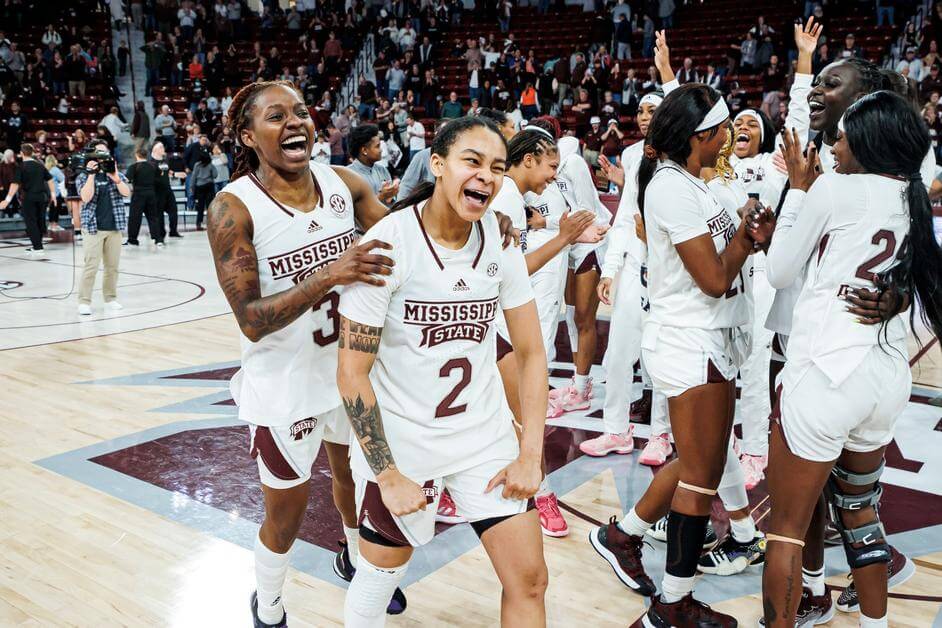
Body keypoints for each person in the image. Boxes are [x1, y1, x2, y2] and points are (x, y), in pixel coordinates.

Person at [205, 81, 519, 628]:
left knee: (355, 477)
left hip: (353, 373)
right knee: (287, 516)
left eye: (301, 111)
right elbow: (251, 320)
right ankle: (270, 601)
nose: (296, 122)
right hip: (286, 384)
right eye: (276, 116)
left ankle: (357, 556)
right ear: (247, 135)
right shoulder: (234, 207)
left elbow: (409, 230)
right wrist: (331, 272)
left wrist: (481, 227)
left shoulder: (344, 184)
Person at [336, 115, 549, 628]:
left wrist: (531, 453)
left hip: (482, 437)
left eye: (497, 167)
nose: (486, 177)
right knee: (379, 578)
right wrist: (386, 475)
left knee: (530, 580)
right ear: (437, 165)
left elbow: (532, 352)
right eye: (471, 161)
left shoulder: (500, 241)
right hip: (404, 444)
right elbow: (352, 373)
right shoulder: (387, 247)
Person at [751, 91, 942, 628]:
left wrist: (796, 192)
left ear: (866, 140)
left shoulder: (832, 188)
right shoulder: (912, 194)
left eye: (840, 137)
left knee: (786, 529)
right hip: (884, 375)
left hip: (825, 373)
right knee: (860, 514)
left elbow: (779, 272)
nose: (833, 146)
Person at [625, 83, 756, 626]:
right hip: (691, 339)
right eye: (721, 130)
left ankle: (621, 535)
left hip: (710, 339)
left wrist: (749, 228)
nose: (728, 137)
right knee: (699, 479)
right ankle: (672, 603)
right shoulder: (673, 189)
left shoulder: (695, 183)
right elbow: (712, 278)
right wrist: (747, 238)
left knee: (700, 463)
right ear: (701, 136)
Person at [75, 141, 131, 315]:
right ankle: (84, 302)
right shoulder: (83, 176)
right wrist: (91, 174)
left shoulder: (115, 174)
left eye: (104, 153)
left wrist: (115, 177)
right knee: (91, 266)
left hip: (114, 227)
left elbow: (126, 192)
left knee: (112, 267)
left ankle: (110, 298)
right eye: (98, 153)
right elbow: (85, 197)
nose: (102, 156)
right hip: (93, 228)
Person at [0, 143, 56, 257]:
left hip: (29, 198)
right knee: (40, 221)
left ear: (21, 153)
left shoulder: (21, 166)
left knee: (31, 222)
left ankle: (37, 247)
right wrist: (53, 195)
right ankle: (38, 245)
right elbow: (50, 180)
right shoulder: (40, 165)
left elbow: (15, 184)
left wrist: (7, 200)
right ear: (32, 153)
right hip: (42, 197)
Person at [348, 124, 399, 206]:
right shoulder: (349, 175)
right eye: (377, 146)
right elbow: (356, 211)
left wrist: (391, 196)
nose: (381, 150)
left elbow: (390, 203)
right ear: (364, 150)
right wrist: (381, 197)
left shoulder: (383, 170)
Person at [125, 143, 164, 248]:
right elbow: (160, 175)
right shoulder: (153, 165)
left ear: (136, 155)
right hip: (151, 193)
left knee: (135, 218)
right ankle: (158, 239)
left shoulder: (134, 167)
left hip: (138, 194)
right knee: (153, 217)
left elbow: (127, 179)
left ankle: (132, 239)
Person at [150, 141, 182, 239]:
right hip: (157, 191)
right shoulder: (151, 162)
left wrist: (175, 174)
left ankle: (173, 231)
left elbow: (167, 171)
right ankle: (161, 233)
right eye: (161, 147)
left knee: (173, 210)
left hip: (167, 189)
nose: (163, 149)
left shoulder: (165, 160)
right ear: (156, 150)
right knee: (159, 214)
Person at [190, 147, 216, 230]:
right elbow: (215, 175)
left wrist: (192, 187)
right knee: (210, 206)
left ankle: (198, 223)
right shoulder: (210, 165)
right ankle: (211, 224)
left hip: (199, 187)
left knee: (200, 207)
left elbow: (193, 177)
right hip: (209, 186)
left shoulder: (197, 165)